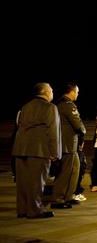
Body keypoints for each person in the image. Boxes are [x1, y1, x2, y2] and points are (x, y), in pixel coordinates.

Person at [12, 83, 61, 218]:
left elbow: (18, 125)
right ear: (45, 92)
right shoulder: (50, 107)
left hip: (20, 148)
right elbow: (53, 131)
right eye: (51, 90)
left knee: (23, 182)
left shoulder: (25, 106)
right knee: (37, 182)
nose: (52, 93)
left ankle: (22, 209)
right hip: (39, 149)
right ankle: (35, 210)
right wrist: (55, 152)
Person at [51, 82, 86, 209]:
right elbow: (78, 125)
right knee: (66, 172)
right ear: (71, 92)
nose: (77, 94)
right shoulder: (67, 105)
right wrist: (83, 131)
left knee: (74, 170)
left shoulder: (62, 104)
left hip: (71, 144)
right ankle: (57, 199)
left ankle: (68, 196)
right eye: (76, 92)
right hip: (68, 144)